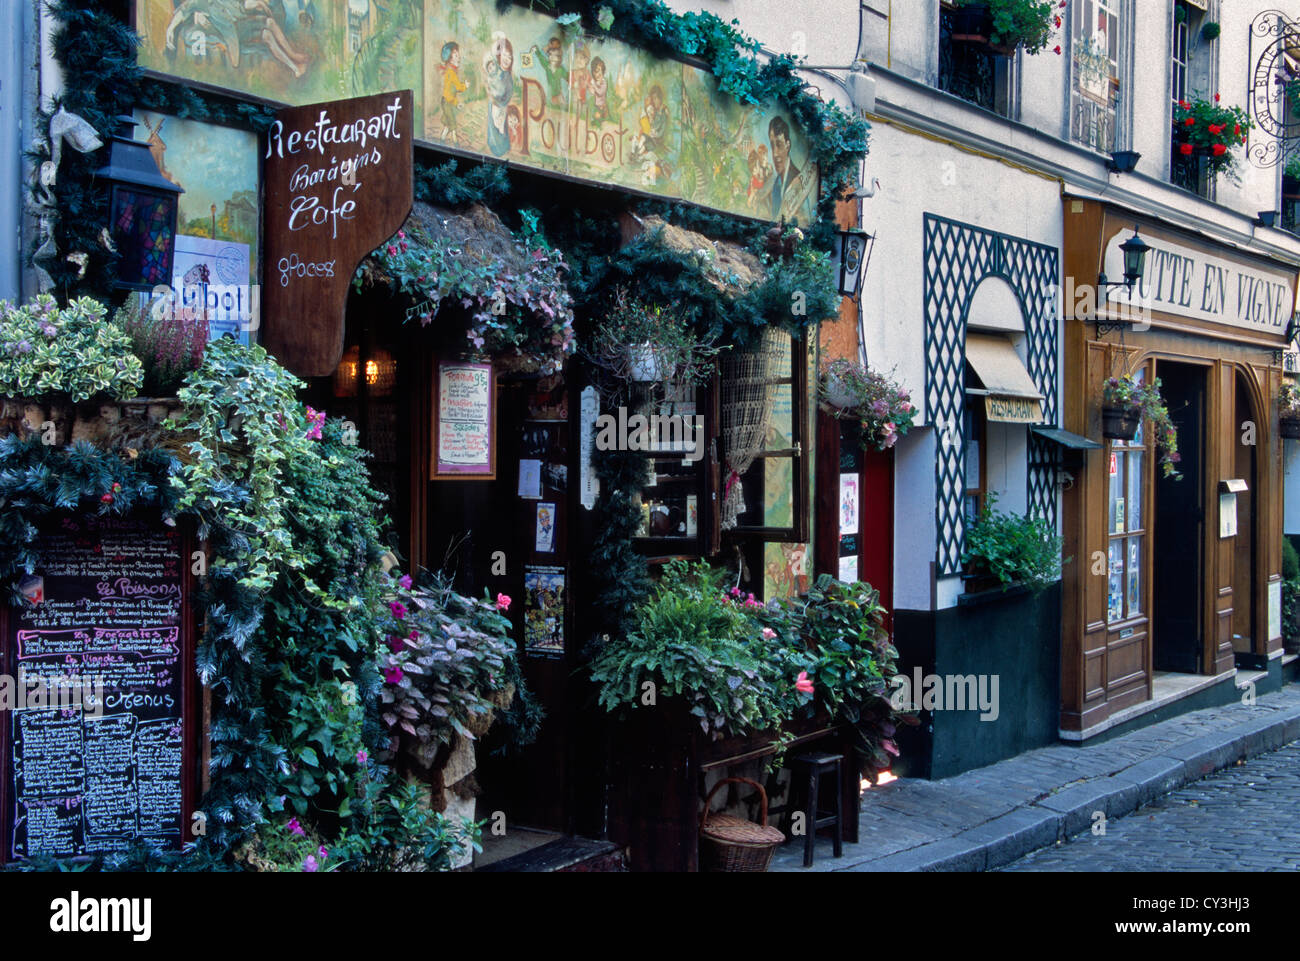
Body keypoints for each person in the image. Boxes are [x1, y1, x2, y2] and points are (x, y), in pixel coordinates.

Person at [483, 33, 515, 157]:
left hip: (501, 105)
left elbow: (506, 94)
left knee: (500, 127)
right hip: (495, 105)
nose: (507, 60)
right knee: (494, 127)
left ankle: (501, 147)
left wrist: (498, 100)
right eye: (505, 56)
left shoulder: (507, 76)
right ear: (499, 56)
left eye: (510, 57)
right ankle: (495, 146)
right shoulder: (496, 72)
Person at [765, 115, 801, 221]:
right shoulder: (777, 183)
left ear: (787, 145)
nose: (775, 154)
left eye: (779, 145)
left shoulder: (797, 179)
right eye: (772, 146)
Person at [436, 41, 469, 147]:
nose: (458, 57)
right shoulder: (451, 73)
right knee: (453, 124)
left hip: (447, 102)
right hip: (446, 102)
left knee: (447, 124)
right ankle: (456, 144)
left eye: (458, 55)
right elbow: (457, 88)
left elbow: (451, 92)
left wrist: (455, 103)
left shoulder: (451, 72)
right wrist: (465, 86)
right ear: (450, 58)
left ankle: (442, 140)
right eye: (455, 55)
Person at [589, 57, 609, 124]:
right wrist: (591, 88)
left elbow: (600, 92)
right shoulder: (594, 81)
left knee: (600, 118)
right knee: (594, 118)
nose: (596, 74)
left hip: (602, 106)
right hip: (595, 105)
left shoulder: (604, 82)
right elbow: (591, 92)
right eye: (595, 72)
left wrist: (594, 86)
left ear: (602, 72)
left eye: (598, 71)